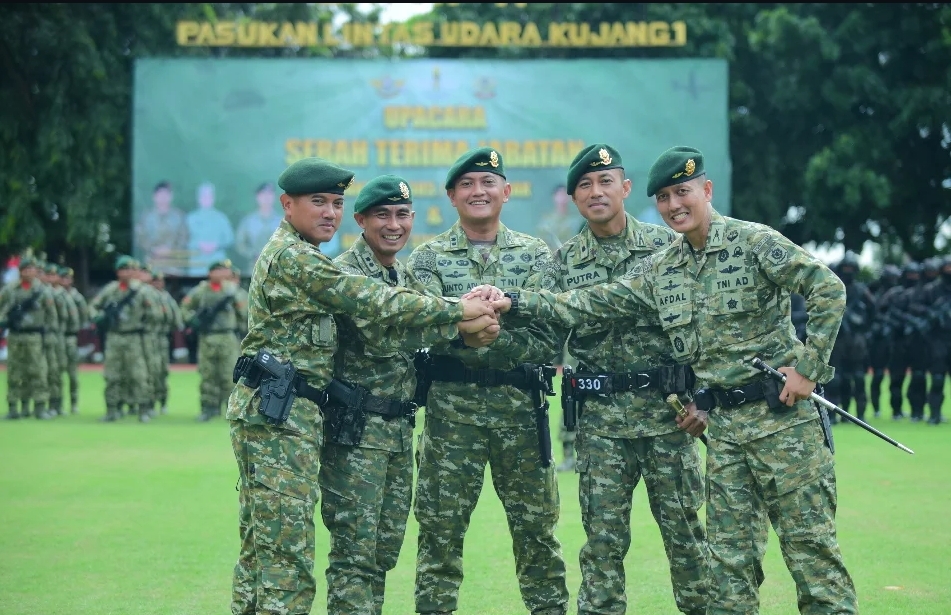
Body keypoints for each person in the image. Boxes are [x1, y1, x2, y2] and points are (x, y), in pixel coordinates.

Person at [483, 146, 859, 615]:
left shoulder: (753, 241)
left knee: (811, 554)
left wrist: (809, 369)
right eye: (663, 197)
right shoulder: (664, 267)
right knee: (729, 568)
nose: (674, 205)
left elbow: (827, 288)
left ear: (706, 190)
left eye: (682, 192)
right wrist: (513, 301)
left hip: (781, 426)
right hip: (724, 435)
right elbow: (592, 301)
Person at [226, 157, 498, 615]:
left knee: (266, 546)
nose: (329, 212)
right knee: (285, 556)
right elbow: (370, 300)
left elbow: (403, 312)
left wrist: (466, 319)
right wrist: (458, 312)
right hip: (280, 415)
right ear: (287, 205)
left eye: (335, 203)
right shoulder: (294, 258)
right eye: (318, 202)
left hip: (294, 413)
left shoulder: (308, 255)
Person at [319, 174, 499, 615]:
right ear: (361, 220)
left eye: (402, 215)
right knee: (355, 554)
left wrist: (481, 319)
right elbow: (387, 329)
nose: (393, 225)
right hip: (356, 434)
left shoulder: (404, 275)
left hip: (398, 431)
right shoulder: (347, 273)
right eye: (382, 215)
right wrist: (463, 322)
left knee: (382, 550)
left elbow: (438, 323)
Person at [407, 147, 570, 615]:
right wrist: (464, 336)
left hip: (520, 414)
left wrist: (493, 338)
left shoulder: (536, 256)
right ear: (451, 196)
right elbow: (416, 328)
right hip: (450, 417)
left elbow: (550, 332)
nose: (478, 191)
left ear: (506, 191)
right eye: (467, 184)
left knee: (537, 532)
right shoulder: (428, 258)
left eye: (487, 182)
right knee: (439, 532)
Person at [548, 144, 709, 615]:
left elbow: (705, 330)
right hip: (600, 427)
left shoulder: (669, 247)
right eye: (584, 185)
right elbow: (540, 332)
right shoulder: (563, 263)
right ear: (575, 198)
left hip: (669, 419)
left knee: (687, 538)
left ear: (626, 188)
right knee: (602, 544)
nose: (595, 192)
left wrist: (704, 399)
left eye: (605, 181)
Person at [88, 256, 162, 422]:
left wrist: (145, 324)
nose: (127, 273)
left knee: (138, 374)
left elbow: (156, 315)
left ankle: (143, 409)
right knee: (112, 374)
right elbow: (93, 306)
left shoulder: (143, 291)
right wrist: (99, 317)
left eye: (130, 269)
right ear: (118, 272)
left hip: (134, 337)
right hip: (114, 336)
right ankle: (112, 409)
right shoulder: (111, 290)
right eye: (123, 269)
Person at [182, 259, 248, 422]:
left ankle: (231, 408)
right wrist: (192, 320)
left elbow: (245, 312)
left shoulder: (233, 290)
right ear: (211, 273)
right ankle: (208, 408)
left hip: (227, 336)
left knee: (229, 374)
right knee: (208, 374)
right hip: (207, 337)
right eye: (219, 270)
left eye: (225, 270)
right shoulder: (201, 291)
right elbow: (184, 308)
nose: (224, 273)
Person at [0, 252, 57, 419]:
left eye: (32, 269)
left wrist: (49, 334)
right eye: (26, 269)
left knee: (38, 371)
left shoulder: (43, 291)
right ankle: (14, 407)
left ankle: (39, 407)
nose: (29, 272)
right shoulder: (10, 290)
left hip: (35, 335)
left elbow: (51, 315)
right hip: (15, 335)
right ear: (20, 271)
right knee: (15, 372)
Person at [826, 254, 875, 421]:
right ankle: (833, 414)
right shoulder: (832, 288)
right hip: (837, 339)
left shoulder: (861, 290)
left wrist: (866, 330)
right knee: (835, 379)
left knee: (858, 378)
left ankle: (860, 414)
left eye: (851, 269)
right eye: (846, 269)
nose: (848, 272)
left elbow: (873, 312)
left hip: (856, 339)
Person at [136, 180, 190, 275]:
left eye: (166, 194)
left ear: (171, 196)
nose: (163, 198)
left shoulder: (179, 216)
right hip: (152, 263)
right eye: (160, 194)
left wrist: (170, 250)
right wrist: (153, 249)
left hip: (174, 265)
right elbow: (140, 238)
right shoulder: (146, 217)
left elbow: (184, 237)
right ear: (154, 196)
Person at [149, 270, 184, 415]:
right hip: (148, 337)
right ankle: (149, 403)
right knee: (150, 371)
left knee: (162, 371)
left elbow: (176, 319)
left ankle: (162, 401)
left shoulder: (167, 298)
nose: (157, 283)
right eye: (155, 281)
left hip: (162, 338)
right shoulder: (147, 296)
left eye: (160, 281)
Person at [186, 181, 236, 276]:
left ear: (213, 198)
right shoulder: (190, 219)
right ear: (198, 198)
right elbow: (183, 240)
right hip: (197, 267)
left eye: (209, 196)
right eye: (204, 196)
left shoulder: (221, 218)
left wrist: (217, 245)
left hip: (217, 266)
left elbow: (230, 239)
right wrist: (198, 244)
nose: (206, 199)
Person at [235, 182, 283, 273]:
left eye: (270, 193)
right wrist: (252, 254)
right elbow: (240, 244)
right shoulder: (248, 221)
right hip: (254, 269)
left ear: (274, 197)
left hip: (278, 269)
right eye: (263, 194)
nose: (266, 197)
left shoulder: (282, 221)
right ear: (257, 197)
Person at [61, 265, 89, 414]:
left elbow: (84, 316)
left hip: (71, 336)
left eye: (68, 278)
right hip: (56, 336)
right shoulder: (54, 294)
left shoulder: (77, 297)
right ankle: (57, 403)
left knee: (72, 373)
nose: (65, 280)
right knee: (55, 372)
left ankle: (74, 402)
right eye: (63, 277)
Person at [536, 183, 580, 254]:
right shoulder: (546, 222)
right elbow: (541, 243)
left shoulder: (576, 220)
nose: (562, 197)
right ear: (554, 197)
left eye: (565, 194)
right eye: (560, 194)